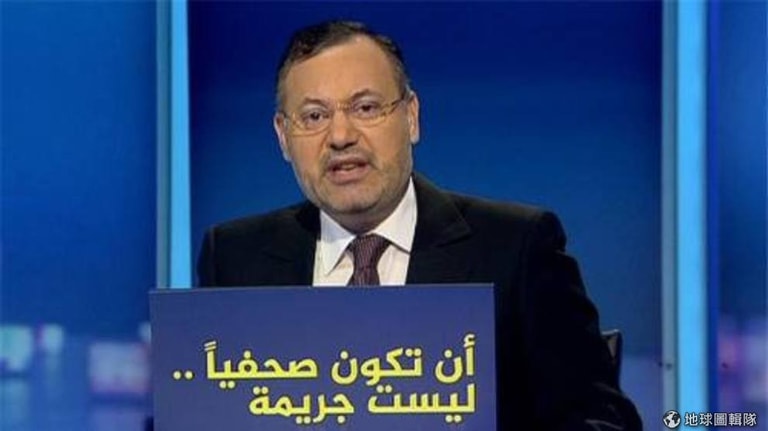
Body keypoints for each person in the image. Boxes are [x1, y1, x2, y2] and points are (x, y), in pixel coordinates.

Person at [197, 20, 643, 431]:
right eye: (314, 116)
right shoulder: (235, 259)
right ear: (282, 136)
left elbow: (602, 422)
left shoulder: (516, 249)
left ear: (410, 116)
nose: (340, 136)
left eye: (366, 107)